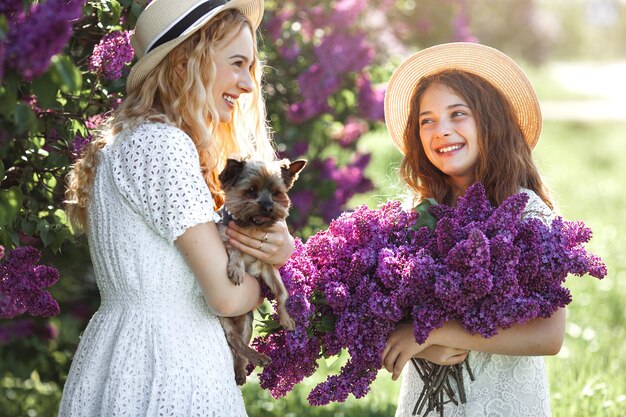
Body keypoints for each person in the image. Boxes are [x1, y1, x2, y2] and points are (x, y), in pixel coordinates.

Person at [59, 0, 295, 415]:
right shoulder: (164, 145)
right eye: (237, 63)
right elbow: (224, 296)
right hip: (166, 360)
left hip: (126, 352)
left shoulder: (135, 139)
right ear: (188, 60)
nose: (247, 83)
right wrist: (277, 279)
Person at [381, 42, 566, 417]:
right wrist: (419, 344)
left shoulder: (525, 212)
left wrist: (435, 332)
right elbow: (383, 318)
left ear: (490, 122)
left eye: (457, 114)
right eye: (426, 120)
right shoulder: (419, 216)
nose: (441, 130)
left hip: (501, 403)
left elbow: (549, 336)